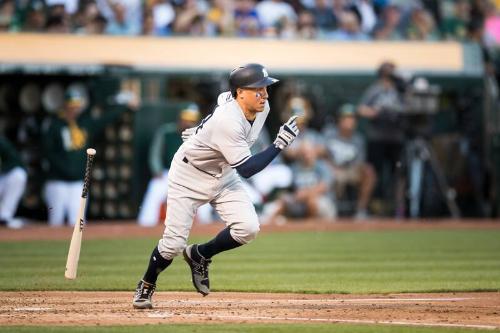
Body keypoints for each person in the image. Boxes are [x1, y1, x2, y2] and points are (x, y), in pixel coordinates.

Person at [133, 63, 300, 309]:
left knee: (248, 228)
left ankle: (200, 254)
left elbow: (222, 101)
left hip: (222, 174)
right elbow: (247, 169)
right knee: (173, 244)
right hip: (189, 176)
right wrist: (278, 145)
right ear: (240, 92)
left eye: (265, 88)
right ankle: (147, 284)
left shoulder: (259, 108)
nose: (264, 93)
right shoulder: (228, 121)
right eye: (258, 89)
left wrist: (202, 130)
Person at [42, 87, 137, 227]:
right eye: (71, 106)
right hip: (58, 181)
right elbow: (47, 152)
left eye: (77, 106)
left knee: (79, 223)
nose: (74, 110)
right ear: (65, 105)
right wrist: (64, 169)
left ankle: (75, 250)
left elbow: (104, 119)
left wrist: (125, 107)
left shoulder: (85, 123)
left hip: (78, 182)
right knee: (56, 221)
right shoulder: (54, 124)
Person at [137, 104, 201, 227]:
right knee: (155, 190)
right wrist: (157, 170)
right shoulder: (167, 132)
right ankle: (145, 226)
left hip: (191, 175)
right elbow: (155, 153)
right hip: (168, 173)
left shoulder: (199, 135)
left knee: (205, 202)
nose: (188, 123)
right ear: (180, 119)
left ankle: (205, 228)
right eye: (186, 119)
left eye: (191, 120)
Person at [323, 103, 376, 219]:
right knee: (329, 174)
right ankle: (330, 210)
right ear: (339, 120)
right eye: (346, 118)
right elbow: (322, 155)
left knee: (369, 171)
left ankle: (360, 210)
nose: (350, 121)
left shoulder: (358, 139)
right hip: (332, 169)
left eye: (352, 118)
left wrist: (345, 172)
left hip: (350, 171)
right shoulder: (329, 134)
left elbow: (360, 163)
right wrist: (333, 169)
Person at [0, 135, 28, 229]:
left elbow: (16, 161)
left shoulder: (2, 142)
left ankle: (5, 217)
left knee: (18, 175)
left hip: (3, 176)